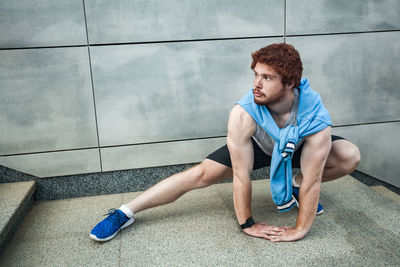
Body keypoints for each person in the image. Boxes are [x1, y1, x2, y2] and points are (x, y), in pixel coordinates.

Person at [89, 43, 360, 242]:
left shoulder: (314, 114)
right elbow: (242, 177)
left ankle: (293, 187)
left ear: (290, 83)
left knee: (349, 154)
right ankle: (125, 213)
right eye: (255, 75)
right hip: (261, 145)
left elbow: (314, 179)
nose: (257, 83)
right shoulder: (243, 113)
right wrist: (247, 224)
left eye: (266, 78)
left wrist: (300, 229)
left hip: (296, 147)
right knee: (201, 174)